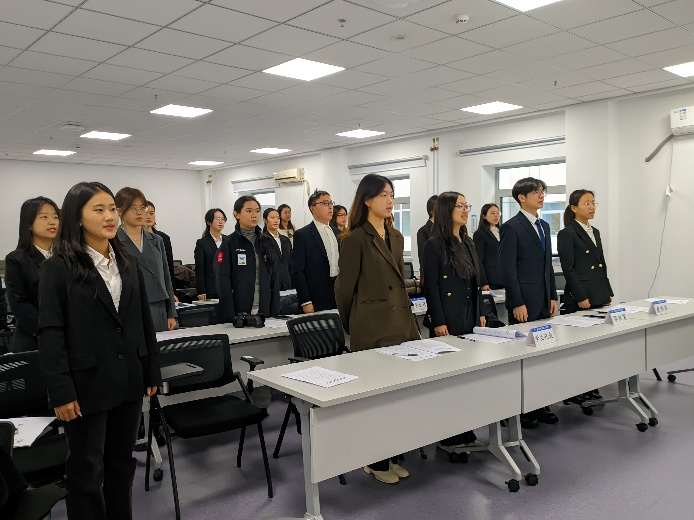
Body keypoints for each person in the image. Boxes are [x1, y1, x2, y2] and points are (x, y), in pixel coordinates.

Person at [37, 181, 161, 520]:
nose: (110, 216)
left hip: (128, 378)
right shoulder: (58, 267)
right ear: (77, 217)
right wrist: (61, 391)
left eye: (112, 209)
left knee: (121, 463)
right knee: (87, 469)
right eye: (99, 209)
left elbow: (142, 320)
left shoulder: (127, 261)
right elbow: (50, 333)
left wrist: (151, 369)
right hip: (85, 384)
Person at [335, 174, 420, 485]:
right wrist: (355, 323)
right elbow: (344, 290)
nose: (390, 200)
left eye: (392, 194)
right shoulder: (355, 239)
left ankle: (392, 454)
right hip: (371, 329)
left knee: (397, 399)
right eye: (383, 195)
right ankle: (374, 460)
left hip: (400, 326)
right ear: (367, 199)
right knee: (376, 400)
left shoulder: (395, 236)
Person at [423, 191, 486, 452]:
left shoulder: (468, 242)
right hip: (448, 318)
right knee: (448, 378)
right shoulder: (434, 244)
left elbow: (476, 283)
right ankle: (447, 432)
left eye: (466, 205)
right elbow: (431, 286)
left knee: (467, 376)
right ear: (446, 210)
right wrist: (438, 320)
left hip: (469, 314)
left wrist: (481, 312)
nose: (465, 210)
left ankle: (465, 426)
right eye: (460, 206)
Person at [500, 177, 558, 428]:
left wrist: (553, 295)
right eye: (536, 192)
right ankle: (522, 408)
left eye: (542, 191)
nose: (541, 195)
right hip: (524, 301)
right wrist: (517, 302)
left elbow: (548, 266)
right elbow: (508, 269)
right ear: (521, 198)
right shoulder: (512, 227)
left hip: (544, 299)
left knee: (542, 355)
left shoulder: (544, 225)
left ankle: (540, 402)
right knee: (524, 357)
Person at [115, 188, 177, 332]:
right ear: (119, 211)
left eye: (142, 207)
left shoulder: (157, 240)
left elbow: (166, 278)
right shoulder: (114, 240)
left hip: (158, 305)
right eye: (133, 208)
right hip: (130, 306)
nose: (139, 212)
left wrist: (171, 313)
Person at [5, 196, 60, 352]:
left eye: (55, 217)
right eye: (44, 217)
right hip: (34, 339)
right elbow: (18, 303)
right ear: (28, 224)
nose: (52, 222)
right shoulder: (17, 259)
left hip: (68, 339)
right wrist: (48, 331)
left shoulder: (66, 257)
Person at [216, 196, 280, 322]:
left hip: (264, 311)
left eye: (257, 211)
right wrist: (230, 316)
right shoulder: (229, 243)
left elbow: (275, 278)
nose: (254, 215)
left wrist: (275, 311)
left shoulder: (267, 241)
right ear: (237, 214)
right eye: (249, 211)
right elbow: (223, 281)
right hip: (239, 313)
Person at [558, 190, 613, 314]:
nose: (592, 207)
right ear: (574, 208)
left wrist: (607, 291)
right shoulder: (567, 233)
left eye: (593, 203)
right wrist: (580, 296)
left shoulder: (595, 232)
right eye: (587, 204)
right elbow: (568, 268)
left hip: (598, 293)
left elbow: (601, 264)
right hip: (581, 296)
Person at [291, 191, 340, 314]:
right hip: (316, 297)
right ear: (312, 208)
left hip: (338, 295)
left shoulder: (338, 233)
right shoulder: (303, 235)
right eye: (325, 203)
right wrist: (305, 301)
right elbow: (297, 271)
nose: (330, 207)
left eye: (331, 203)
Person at [264, 208, 298, 315]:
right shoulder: (262, 239)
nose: (276, 220)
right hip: (272, 283)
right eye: (272, 218)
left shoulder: (285, 240)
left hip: (287, 283)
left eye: (278, 218)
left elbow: (291, 262)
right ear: (265, 220)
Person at [194, 208, 227, 301]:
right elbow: (200, 269)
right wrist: (201, 291)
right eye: (217, 219)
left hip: (227, 286)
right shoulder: (202, 243)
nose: (220, 221)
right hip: (211, 288)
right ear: (209, 222)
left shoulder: (228, 240)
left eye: (223, 219)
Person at [473, 203, 503, 290]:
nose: (496, 216)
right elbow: (478, 259)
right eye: (492, 213)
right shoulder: (480, 234)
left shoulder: (502, 232)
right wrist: (483, 282)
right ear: (484, 216)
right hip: (490, 280)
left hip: (504, 278)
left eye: (498, 213)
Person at [145, 200, 175, 283]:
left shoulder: (163, 238)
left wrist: (172, 289)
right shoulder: (135, 238)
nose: (149, 216)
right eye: (145, 213)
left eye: (151, 213)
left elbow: (169, 267)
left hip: (161, 282)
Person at [416, 194, 438, 275]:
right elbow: (423, 260)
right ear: (431, 211)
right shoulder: (423, 231)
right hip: (431, 275)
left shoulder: (445, 230)